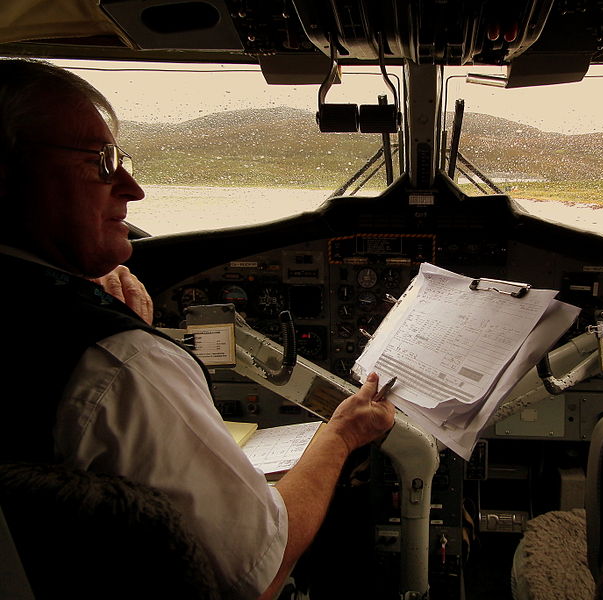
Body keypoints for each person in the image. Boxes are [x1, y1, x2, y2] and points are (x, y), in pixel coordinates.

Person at [0, 58, 395, 599]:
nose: (132, 189)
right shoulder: (119, 364)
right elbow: (259, 571)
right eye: (101, 162)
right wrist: (343, 433)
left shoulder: (102, 346)